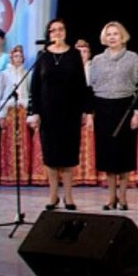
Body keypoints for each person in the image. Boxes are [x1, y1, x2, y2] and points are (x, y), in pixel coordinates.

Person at [30, 18, 88, 209]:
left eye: (60, 29)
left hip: (70, 113)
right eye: (53, 30)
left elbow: (81, 85)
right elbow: (35, 86)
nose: (57, 33)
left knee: (68, 155)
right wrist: (35, 111)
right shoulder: (42, 55)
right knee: (51, 155)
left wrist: (84, 110)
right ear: (48, 34)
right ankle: (53, 195)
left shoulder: (74, 55)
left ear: (65, 31)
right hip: (48, 114)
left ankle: (69, 196)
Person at [89, 21, 138, 210]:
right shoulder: (97, 60)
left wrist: (136, 113)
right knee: (108, 156)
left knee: (124, 155)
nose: (112, 37)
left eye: (115, 34)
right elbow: (91, 88)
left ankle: (123, 197)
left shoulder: (132, 58)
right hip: (103, 109)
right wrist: (91, 115)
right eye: (109, 34)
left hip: (125, 108)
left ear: (122, 36)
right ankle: (111, 197)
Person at [0, 44, 31, 187]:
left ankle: (23, 174)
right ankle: (9, 174)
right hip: (9, 111)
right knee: (10, 142)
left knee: (22, 142)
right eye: (15, 56)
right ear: (11, 58)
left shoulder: (27, 73)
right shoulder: (4, 74)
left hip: (22, 111)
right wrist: (1, 115)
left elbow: (29, 93)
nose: (18, 59)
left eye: (20, 56)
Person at [73, 39, 98, 186]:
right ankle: (75, 175)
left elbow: (92, 92)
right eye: (79, 52)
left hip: (90, 108)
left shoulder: (92, 69)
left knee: (90, 141)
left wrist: (89, 112)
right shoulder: (71, 68)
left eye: (85, 51)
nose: (82, 54)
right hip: (74, 109)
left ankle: (90, 174)